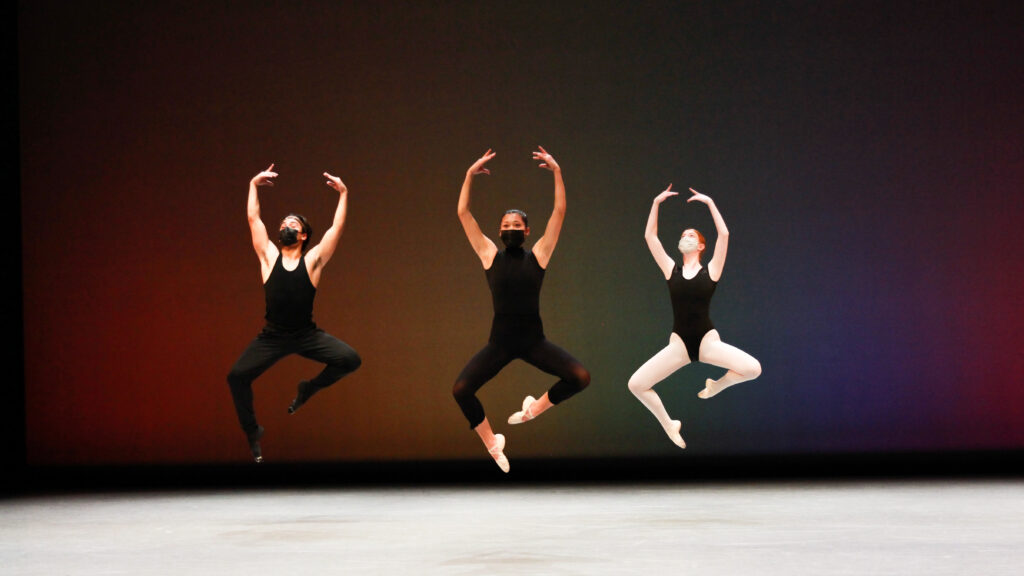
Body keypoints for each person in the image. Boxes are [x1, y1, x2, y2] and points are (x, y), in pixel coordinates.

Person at [452, 147, 591, 472]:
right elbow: (463, 214)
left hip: (533, 342)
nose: (510, 228)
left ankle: (534, 409)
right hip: (499, 343)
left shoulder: (539, 254)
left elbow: (559, 212)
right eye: (506, 224)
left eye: (517, 224)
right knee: (461, 390)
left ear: (527, 232)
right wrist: (469, 175)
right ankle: (492, 442)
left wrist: (557, 172)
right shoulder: (489, 254)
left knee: (580, 377)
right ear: (499, 232)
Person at [227, 164, 362, 462]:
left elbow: (335, 230)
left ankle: (308, 389)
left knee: (350, 360)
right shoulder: (268, 257)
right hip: (272, 337)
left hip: (306, 336)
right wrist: (252, 183)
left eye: (292, 224)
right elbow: (253, 218)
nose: (285, 226)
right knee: (236, 377)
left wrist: (344, 194)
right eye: (283, 224)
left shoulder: (312, 261)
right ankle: (253, 432)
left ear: (302, 235)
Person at [627, 184, 761, 448]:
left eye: (691, 234)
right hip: (679, 345)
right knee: (636, 384)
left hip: (707, 341)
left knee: (753, 369)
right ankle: (669, 423)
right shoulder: (671, 270)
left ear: (700, 245)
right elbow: (650, 238)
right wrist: (655, 203)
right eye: (683, 234)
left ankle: (717, 386)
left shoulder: (711, 271)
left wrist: (710, 203)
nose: (685, 236)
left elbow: (724, 235)